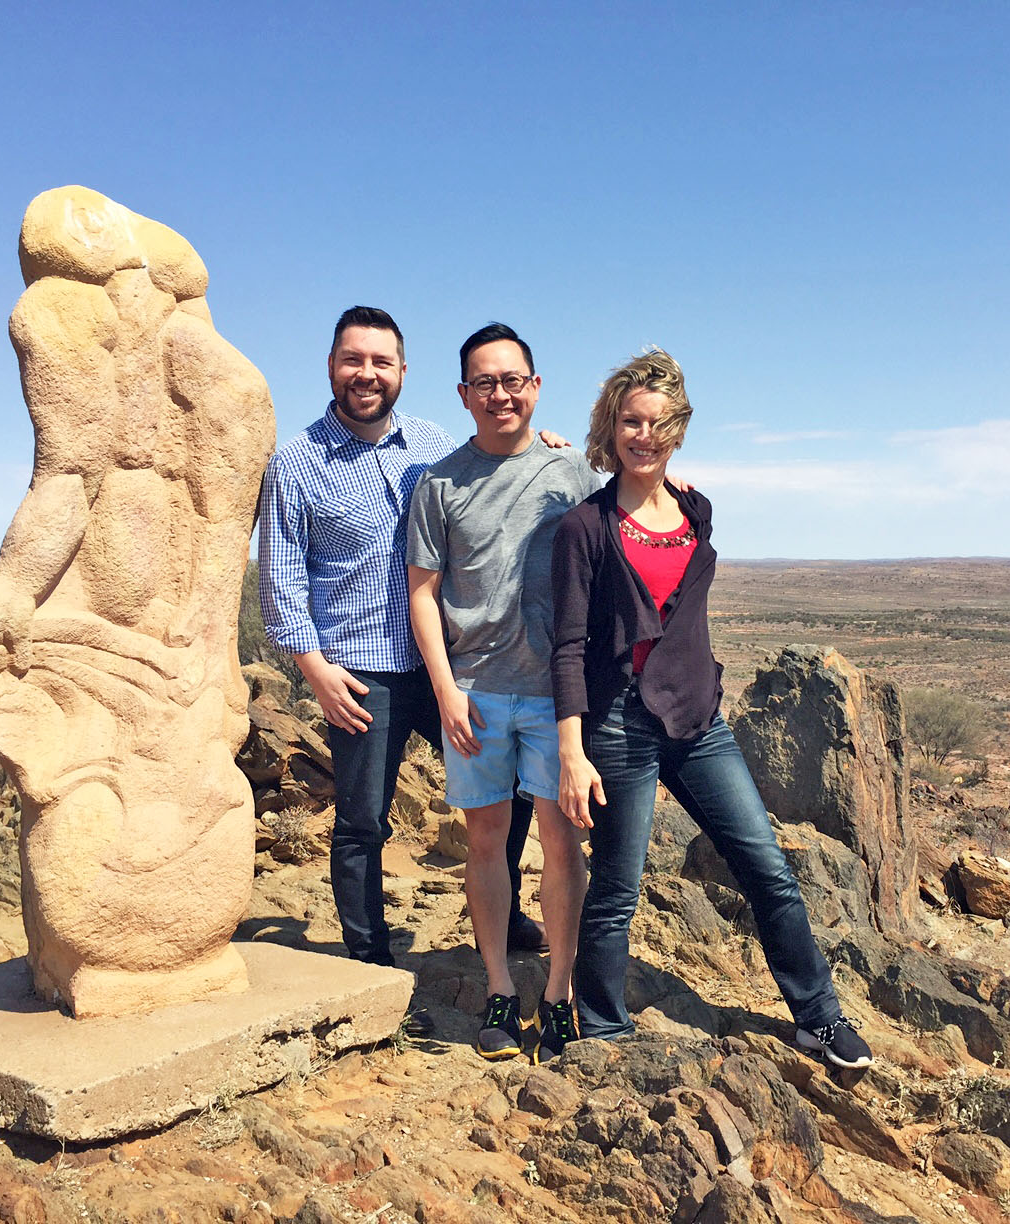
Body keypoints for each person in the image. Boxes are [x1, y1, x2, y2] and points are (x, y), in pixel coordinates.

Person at [551, 349, 874, 1069]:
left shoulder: (697, 508)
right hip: (617, 725)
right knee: (617, 886)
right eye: (630, 421)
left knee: (766, 866)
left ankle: (818, 1018)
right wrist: (570, 751)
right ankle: (601, 1030)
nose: (644, 435)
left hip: (698, 720)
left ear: (678, 431)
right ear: (612, 426)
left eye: (658, 424)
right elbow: (567, 645)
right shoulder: (584, 528)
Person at [258, 307, 546, 991]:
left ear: (403, 372)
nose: (367, 374)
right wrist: (314, 670)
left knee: (502, 790)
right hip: (358, 670)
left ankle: (499, 923)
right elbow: (280, 577)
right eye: (354, 360)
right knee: (363, 821)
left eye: (381, 362)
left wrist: (545, 449)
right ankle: (369, 959)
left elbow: (491, 473)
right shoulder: (297, 464)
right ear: (332, 366)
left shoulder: (431, 441)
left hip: (447, 660)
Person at [406, 323, 600, 1062]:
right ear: (463, 395)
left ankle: (557, 991)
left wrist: (678, 484)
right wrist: (446, 690)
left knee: (560, 842)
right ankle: (496, 986)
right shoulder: (440, 483)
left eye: (512, 379)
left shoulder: (570, 474)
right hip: (478, 694)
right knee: (486, 842)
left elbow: (626, 518)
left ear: (536, 386)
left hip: (556, 696)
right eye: (484, 382)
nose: (500, 394)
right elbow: (422, 593)